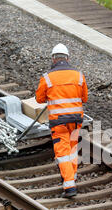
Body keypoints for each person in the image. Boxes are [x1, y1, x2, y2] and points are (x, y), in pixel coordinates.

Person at [35, 43, 88, 198]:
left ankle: (69, 186)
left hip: (59, 123)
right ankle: (71, 176)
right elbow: (84, 98)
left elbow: (39, 99)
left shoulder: (47, 77)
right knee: (72, 151)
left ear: (53, 59)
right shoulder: (79, 75)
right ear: (67, 58)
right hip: (76, 120)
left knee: (63, 153)